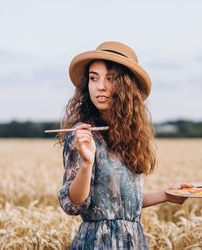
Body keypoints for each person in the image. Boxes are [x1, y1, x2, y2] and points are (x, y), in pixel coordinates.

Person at [58, 41, 192, 249]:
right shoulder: (84, 134)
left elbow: (122, 205)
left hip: (133, 241)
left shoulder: (131, 136)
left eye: (110, 78)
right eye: (94, 78)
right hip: (97, 244)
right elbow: (74, 204)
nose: (100, 86)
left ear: (126, 85)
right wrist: (86, 162)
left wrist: (166, 194)